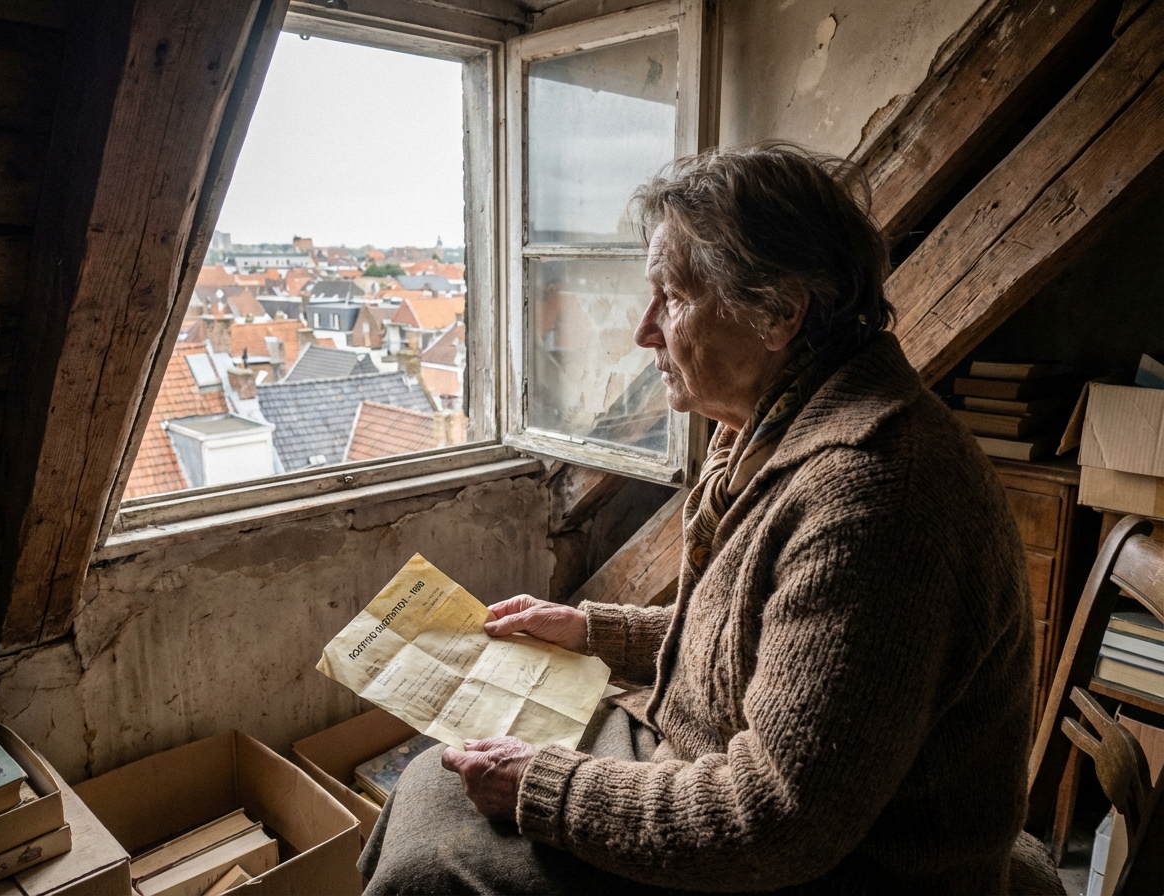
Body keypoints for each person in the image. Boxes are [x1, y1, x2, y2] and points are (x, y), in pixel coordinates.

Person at [360, 145, 1037, 894]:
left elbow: (774, 820)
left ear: (779, 312)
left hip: (837, 868)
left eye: (672, 297)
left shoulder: (875, 499)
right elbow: (756, 643)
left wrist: (540, 789)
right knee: (435, 769)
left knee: (431, 868)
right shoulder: (769, 429)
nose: (645, 330)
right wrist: (591, 632)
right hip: (716, 766)